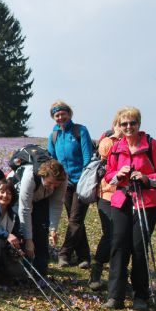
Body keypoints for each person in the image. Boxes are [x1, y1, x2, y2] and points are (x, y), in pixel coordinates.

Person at [103, 107, 156, 311]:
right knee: (118, 246)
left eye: (132, 123)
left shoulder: (151, 144)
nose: (128, 127)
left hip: (148, 202)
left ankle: (140, 296)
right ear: (119, 125)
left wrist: (146, 178)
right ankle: (115, 296)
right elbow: (108, 176)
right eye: (124, 124)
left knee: (139, 247)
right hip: (122, 200)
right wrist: (119, 174)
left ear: (138, 124)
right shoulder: (116, 148)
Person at [47, 100, 95, 269]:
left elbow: (87, 157)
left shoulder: (80, 131)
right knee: (76, 219)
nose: (60, 117)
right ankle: (84, 256)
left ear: (69, 114)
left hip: (81, 182)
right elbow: (52, 160)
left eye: (63, 114)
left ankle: (64, 253)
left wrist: (83, 178)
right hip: (64, 184)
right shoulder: (54, 135)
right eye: (56, 115)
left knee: (75, 219)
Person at [14, 159, 67, 276]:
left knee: (42, 230)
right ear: (43, 175)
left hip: (41, 199)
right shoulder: (30, 176)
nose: (52, 187)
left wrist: (53, 228)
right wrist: (28, 240)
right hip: (20, 198)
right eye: (50, 183)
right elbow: (25, 209)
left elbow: (57, 203)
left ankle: (40, 271)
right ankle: (23, 270)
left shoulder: (63, 179)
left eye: (56, 185)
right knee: (24, 234)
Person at [89, 117, 123, 290]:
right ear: (114, 125)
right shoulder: (108, 142)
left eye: (128, 125)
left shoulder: (134, 144)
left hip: (126, 195)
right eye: (120, 124)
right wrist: (117, 138)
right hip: (107, 194)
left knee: (122, 236)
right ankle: (96, 270)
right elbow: (105, 156)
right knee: (110, 234)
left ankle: (118, 277)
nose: (124, 128)